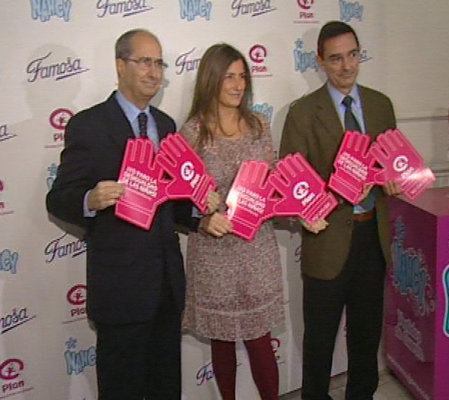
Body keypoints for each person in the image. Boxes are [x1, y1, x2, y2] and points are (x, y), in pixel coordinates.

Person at [46, 29, 197, 400]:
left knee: (166, 387)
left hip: (166, 284)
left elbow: (171, 201)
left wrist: (200, 207)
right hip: (121, 289)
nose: (153, 72)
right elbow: (58, 198)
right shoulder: (89, 125)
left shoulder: (166, 125)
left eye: (159, 63)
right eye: (144, 61)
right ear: (120, 65)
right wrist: (90, 199)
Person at [280, 21, 401, 400]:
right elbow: (289, 183)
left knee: (366, 337)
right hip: (327, 241)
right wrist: (338, 189)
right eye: (335, 59)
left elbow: (390, 165)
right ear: (320, 61)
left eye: (352, 55)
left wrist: (391, 179)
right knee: (319, 340)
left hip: (372, 238)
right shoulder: (303, 113)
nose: (347, 66)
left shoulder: (381, 105)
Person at [180, 43, 285, 400]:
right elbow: (181, 197)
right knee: (222, 340)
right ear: (211, 79)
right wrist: (203, 217)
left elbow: (273, 180)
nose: (238, 85)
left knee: (260, 340)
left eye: (242, 76)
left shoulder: (259, 125)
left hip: (257, 250)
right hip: (214, 253)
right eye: (229, 77)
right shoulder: (192, 132)